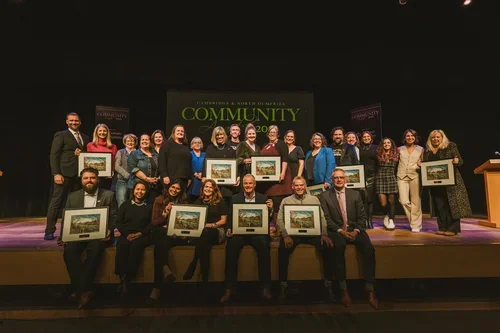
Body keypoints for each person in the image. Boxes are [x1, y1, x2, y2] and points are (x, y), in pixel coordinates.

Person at [319, 168, 379, 310]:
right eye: (336, 178)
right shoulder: (325, 196)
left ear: (345, 179)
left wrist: (356, 231)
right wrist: (341, 231)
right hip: (337, 231)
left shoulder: (355, 194)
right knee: (337, 248)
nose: (339, 180)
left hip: (355, 230)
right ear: (332, 180)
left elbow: (362, 217)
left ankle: (370, 289)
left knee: (369, 249)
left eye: (341, 177)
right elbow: (326, 218)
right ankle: (343, 289)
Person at [59, 167, 117, 310]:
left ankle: (78, 290)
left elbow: (114, 216)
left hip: (99, 235)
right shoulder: (73, 196)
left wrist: (109, 230)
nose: (89, 181)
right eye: (86, 178)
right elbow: (66, 217)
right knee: (69, 251)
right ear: (81, 180)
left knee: (95, 250)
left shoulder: (108, 195)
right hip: (77, 235)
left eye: (92, 178)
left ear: (97, 179)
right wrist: (64, 235)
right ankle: (85, 290)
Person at [276, 176, 335, 302]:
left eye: (301, 185)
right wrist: (285, 235)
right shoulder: (286, 201)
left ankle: (328, 285)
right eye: (296, 185)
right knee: (282, 249)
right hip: (292, 235)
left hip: (312, 233)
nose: (299, 188)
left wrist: (324, 234)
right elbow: (279, 220)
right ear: (292, 187)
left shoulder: (314, 199)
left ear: (305, 186)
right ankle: (283, 286)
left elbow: (322, 217)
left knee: (327, 247)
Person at [220, 174, 274, 303]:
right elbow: (230, 216)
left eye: (250, 183)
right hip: (240, 232)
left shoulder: (263, 198)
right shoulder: (235, 198)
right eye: (246, 183)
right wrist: (228, 228)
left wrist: (271, 210)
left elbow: (268, 219)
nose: (248, 186)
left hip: (258, 233)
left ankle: (265, 287)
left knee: (264, 246)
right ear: (242, 185)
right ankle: (229, 288)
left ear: (254, 185)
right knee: (231, 246)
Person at [45, 112, 89, 241]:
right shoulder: (61, 135)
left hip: (78, 175)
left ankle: (73, 229)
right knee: (56, 202)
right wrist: (56, 173)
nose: (74, 122)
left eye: (76, 120)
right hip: (64, 174)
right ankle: (49, 230)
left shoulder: (85, 137)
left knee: (75, 204)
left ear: (80, 122)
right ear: (67, 121)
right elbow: (54, 155)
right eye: (71, 120)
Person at [147, 180, 190, 304]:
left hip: (178, 236)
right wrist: (165, 214)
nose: (174, 190)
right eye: (172, 187)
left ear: (181, 190)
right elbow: (154, 222)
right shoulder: (159, 200)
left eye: (177, 188)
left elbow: (186, 223)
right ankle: (164, 270)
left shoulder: (184, 202)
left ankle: (157, 288)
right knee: (160, 235)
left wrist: (177, 228)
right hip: (163, 235)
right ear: (168, 187)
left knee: (158, 247)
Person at [422, 130, 471, 236]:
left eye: (437, 137)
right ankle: (442, 226)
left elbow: (460, 161)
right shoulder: (427, 151)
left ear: (442, 137)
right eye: (433, 138)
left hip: (451, 182)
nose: (435, 139)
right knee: (439, 205)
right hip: (435, 183)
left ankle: (453, 229)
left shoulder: (450, 146)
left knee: (452, 205)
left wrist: (457, 161)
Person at [114, 180, 154, 300]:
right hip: (126, 234)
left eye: (142, 189)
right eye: (137, 189)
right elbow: (118, 222)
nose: (140, 192)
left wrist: (140, 233)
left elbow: (151, 224)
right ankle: (122, 277)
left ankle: (128, 278)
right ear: (133, 190)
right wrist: (126, 234)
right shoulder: (125, 205)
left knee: (136, 247)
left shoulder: (150, 207)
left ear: (146, 191)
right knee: (122, 245)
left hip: (143, 235)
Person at [183, 179, 228, 283]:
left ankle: (194, 262)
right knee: (205, 246)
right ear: (202, 189)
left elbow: (223, 220)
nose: (208, 189)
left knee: (206, 233)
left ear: (214, 189)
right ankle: (205, 279)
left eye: (210, 187)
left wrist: (211, 225)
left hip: (217, 230)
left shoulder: (220, 202)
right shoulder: (197, 202)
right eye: (206, 187)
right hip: (202, 233)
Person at [397, 129, 424, 233]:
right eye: (408, 136)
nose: (410, 138)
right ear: (405, 138)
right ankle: (414, 221)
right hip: (401, 176)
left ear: (415, 137)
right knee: (403, 201)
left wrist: (421, 164)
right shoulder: (399, 149)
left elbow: (423, 161)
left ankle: (415, 225)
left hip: (415, 175)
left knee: (416, 201)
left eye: (412, 136)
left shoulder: (421, 149)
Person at [127, 133, 160, 203]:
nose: (145, 141)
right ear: (140, 142)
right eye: (143, 139)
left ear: (150, 142)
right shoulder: (134, 154)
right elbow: (133, 169)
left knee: (150, 209)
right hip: (138, 187)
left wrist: (158, 178)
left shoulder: (156, 155)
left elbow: (161, 168)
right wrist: (146, 179)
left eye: (147, 140)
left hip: (153, 187)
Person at [159, 124, 193, 191]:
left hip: (184, 179)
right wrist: (165, 175)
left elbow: (189, 163)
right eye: (178, 130)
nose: (180, 132)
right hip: (170, 179)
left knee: (181, 200)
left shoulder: (185, 146)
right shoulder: (167, 144)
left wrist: (189, 178)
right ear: (173, 132)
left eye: (182, 131)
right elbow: (162, 161)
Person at [375, 137, 399, 230]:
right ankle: (386, 215)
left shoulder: (396, 153)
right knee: (383, 203)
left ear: (391, 144)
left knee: (391, 201)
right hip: (380, 178)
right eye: (384, 143)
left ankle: (392, 220)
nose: (386, 144)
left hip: (391, 178)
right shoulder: (378, 154)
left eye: (388, 143)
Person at [87, 123, 118, 190]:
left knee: (106, 195)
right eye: (100, 131)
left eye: (104, 131)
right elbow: (88, 161)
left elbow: (114, 161)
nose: (102, 133)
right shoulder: (90, 145)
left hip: (108, 176)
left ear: (107, 133)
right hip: (94, 175)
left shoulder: (113, 146)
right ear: (96, 132)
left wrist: (111, 171)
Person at [358, 131, 378, 228]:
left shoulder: (376, 147)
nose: (366, 138)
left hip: (372, 175)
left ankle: (370, 220)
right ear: (361, 139)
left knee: (370, 199)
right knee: (363, 199)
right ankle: (364, 220)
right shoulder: (358, 148)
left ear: (371, 138)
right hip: (361, 175)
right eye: (364, 137)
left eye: (368, 136)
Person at [115, 133, 137, 207]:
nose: (130, 143)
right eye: (128, 141)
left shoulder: (139, 152)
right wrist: (127, 175)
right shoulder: (120, 152)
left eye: (132, 141)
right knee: (121, 202)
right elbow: (117, 166)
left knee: (133, 202)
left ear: (135, 142)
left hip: (135, 181)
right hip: (122, 181)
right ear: (125, 142)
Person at [186, 137, 205, 203]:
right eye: (195, 143)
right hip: (192, 179)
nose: (197, 144)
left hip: (202, 179)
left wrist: (203, 173)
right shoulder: (188, 154)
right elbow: (187, 166)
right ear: (192, 145)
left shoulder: (205, 155)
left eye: (199, 142)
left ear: (201, 144)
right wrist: (194, 173)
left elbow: (207, 166)